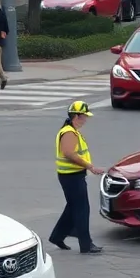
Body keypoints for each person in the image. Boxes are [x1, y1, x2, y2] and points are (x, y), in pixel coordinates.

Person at [49, 100, 104, 254]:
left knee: (73, 208)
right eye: (84, 116)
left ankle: (57, 236)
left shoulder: (71, 130)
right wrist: (90, 166)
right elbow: (68, 153)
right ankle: (86, 244)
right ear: (76, 116)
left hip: (71, 175)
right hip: (71, 177)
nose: (86, 119)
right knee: (82, 209)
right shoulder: (69, 132)